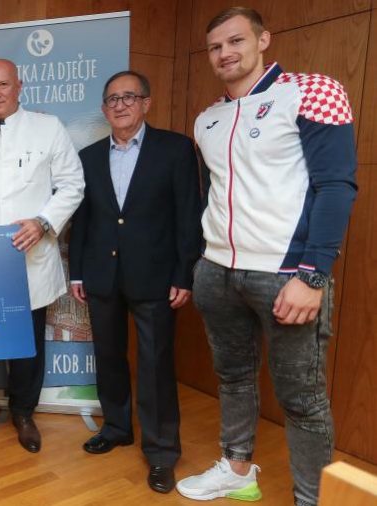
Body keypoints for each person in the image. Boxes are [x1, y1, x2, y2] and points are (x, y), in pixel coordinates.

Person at [176, 7, 357, 506]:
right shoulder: (207, 119)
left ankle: (314, 499)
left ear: (263, 40)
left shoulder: (311, 92)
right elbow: (216, 195)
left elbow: (336, 186)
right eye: (215, 47)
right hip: (217, 273)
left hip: (286, 276)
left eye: (236, 41)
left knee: (302, 399)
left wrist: (313, 276)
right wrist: (203, 263)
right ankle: (237, 471)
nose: (225, 53)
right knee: (233, 378)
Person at [69, 70, 201, 493]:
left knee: (155, 364)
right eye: (112, 99)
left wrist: (184, 274)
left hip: (157, 278)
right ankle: (116, 427)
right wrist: (77, 271)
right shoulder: (88, 157)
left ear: (146, 103)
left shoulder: (176, 149)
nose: (120, 105)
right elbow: (82, 221)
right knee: (108, 356)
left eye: (129, 97)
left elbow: (189, 217)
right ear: (104, 109)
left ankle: (162, 452)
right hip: (101, 274)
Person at [0, 58, 84, 453]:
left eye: (3, 85)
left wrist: (43, 222)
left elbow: (72, 184)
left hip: (31, 254)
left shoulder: (48, 127)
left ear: (19, 86)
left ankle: (23, 412)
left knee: (27, 344)